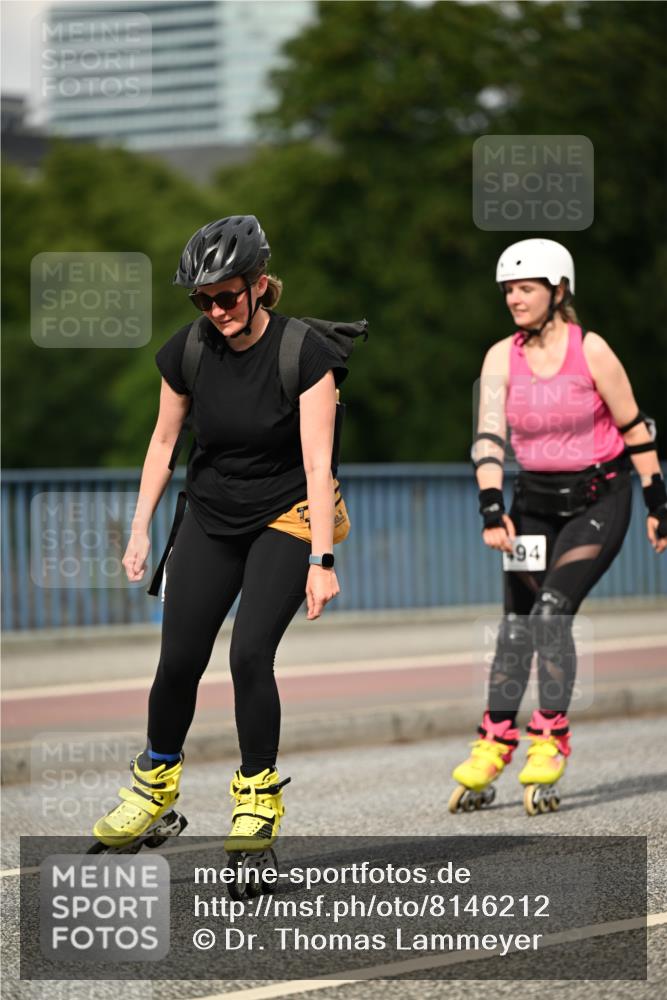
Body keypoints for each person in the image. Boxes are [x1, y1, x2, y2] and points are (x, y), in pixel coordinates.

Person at [93, 215, 350, 850]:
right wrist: (140, 530)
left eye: (227, 296)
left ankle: (257, 798)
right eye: (203, 299)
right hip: (210, 513)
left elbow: (319, 463)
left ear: (259, 285)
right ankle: (154, 788)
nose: (216, 310)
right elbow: (162, 443)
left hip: (286, 516)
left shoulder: (304, 354)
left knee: (247, 653)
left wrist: (322, 557)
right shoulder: (188, 351)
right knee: (178, 658)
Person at [450, 238, 666, 816]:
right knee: (516, 626)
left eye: (525, 288)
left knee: (549, 614)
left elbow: (635, 426)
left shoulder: (591, 350)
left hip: (601, 498)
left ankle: (549, 736)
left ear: (558, 290)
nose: (514, 298)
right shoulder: (501, 356)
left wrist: (658, 502)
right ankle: (495, 740)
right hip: (535, 502)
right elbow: (489, 436)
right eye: (508, 290)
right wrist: (492, 506)